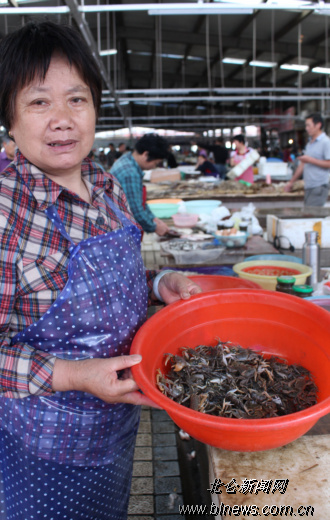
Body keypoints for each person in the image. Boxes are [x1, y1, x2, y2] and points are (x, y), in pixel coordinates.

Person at [0, 21, 201, 520]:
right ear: (9, 118)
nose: (63, 119)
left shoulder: (105, 185)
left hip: (116, 424)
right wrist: (72, 374)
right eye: (39, 102)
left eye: (77, 99)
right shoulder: (7, 209)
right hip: (40, 447)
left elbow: (120, 282)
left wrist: (159, 283)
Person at [111, 133, 170, 236]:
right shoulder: (130, 173)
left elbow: (138, 201)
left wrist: (153, 218)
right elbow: (135, 211)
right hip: (121, 232)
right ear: (146, 154)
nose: (154, 167)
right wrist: (154, 227)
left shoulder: (127, 160)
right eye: (155, 163)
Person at [284, 113, 330, 206]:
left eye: (308, 125)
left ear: (318, 125)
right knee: (308, 214)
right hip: (308, 186)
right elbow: (302, 164)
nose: (306, 128)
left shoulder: (326, 142)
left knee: (312, 216)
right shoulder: (310, 143)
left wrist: (310, 160)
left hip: (319, 186)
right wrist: (291, 182)